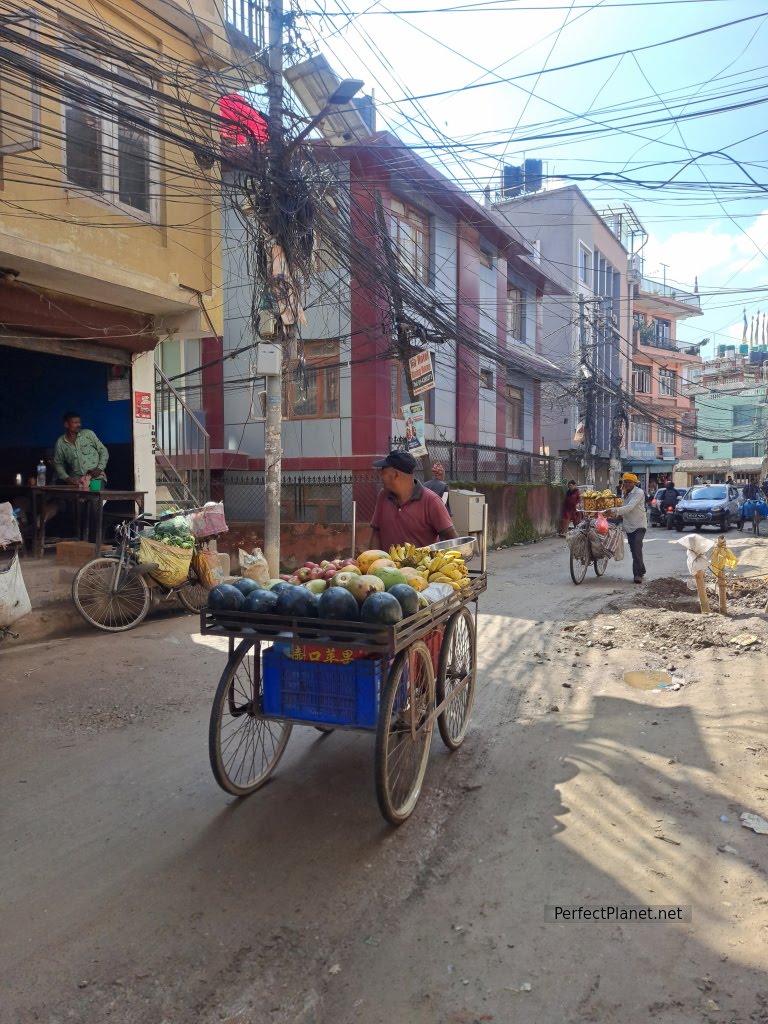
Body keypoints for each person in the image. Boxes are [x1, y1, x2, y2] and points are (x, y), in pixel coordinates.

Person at [370, 450, 458, 550]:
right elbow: (376, 532)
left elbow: (453, 540)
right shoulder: (383, 496)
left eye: (383, 471)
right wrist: (372, 560)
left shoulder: (431, 501)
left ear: (395, 473)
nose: (380, 475)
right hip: (387, 565)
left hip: (422, 565)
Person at [54, 412, 109, 486]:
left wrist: (99, 468)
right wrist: (67, 478)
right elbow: (58, 463)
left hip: (96, 478)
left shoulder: (88, 434)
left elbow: (103, 451)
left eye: (79, 422)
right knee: (76, 497)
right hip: (76, 481)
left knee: (94, 495)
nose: (79, 425)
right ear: (66, 424)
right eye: (75, 423)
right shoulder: (60, 442)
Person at [611, 472, 647, 584]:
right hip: (628, 525)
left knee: (636, 548)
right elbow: (622, 507)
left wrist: (615, 511)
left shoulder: (639, 492)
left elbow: (630, 507)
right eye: (625, 482)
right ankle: (642, 568)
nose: (627, 484)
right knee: (634, 550)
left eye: (629, 482)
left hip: (639, 525)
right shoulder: (624, 493)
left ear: (634, 483)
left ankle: (637, 575)